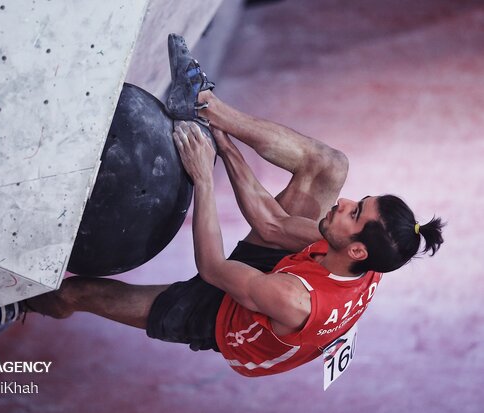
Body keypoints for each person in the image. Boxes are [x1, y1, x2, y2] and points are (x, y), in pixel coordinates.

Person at [25, 34, 445, 377]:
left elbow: (212, 269)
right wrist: (221, 144)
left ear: (356, 249)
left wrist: (204, 176)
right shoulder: (371, 253)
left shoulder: (293, 299)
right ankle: (205, 103)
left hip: (222, 316)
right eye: (360, 202)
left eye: (355, 213)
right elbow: (275, 224)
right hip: (289, 275)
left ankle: (9, 305)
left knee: (76, 294)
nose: (346, 202)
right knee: (332, 165)